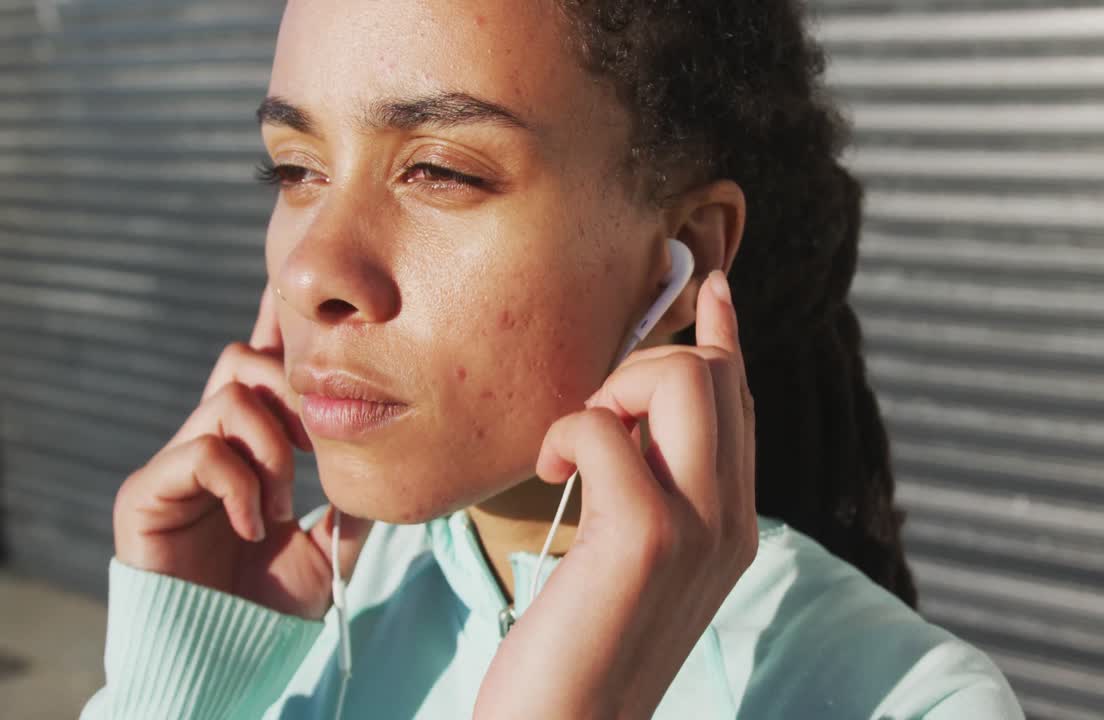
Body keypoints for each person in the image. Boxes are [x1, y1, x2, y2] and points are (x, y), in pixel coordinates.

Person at [81, 1, 1024, 718]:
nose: (313, 270)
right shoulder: (282, 598)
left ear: (686, 254)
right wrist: (180, 682)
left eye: (439, 170)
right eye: (295, 169)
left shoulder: (908, 702)